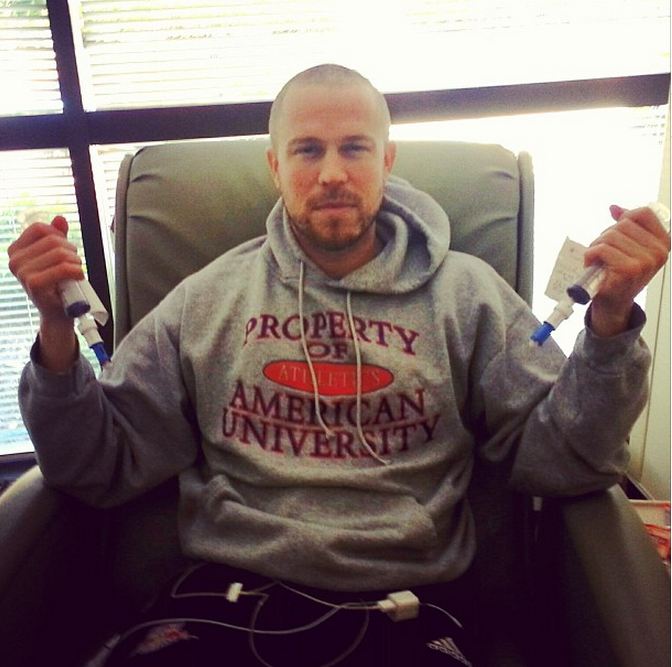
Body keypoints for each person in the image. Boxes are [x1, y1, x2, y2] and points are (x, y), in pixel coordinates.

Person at [7, 64, 670, 666]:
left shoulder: (469, 297)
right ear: (275, 166)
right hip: (222, 600)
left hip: (408, 609)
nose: (331, 173)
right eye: (307, 150)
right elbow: (94, 464)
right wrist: (55, 331)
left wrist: (610, 323)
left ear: (386, 160)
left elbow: (567, 461)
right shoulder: (206, 300)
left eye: (354, 148)